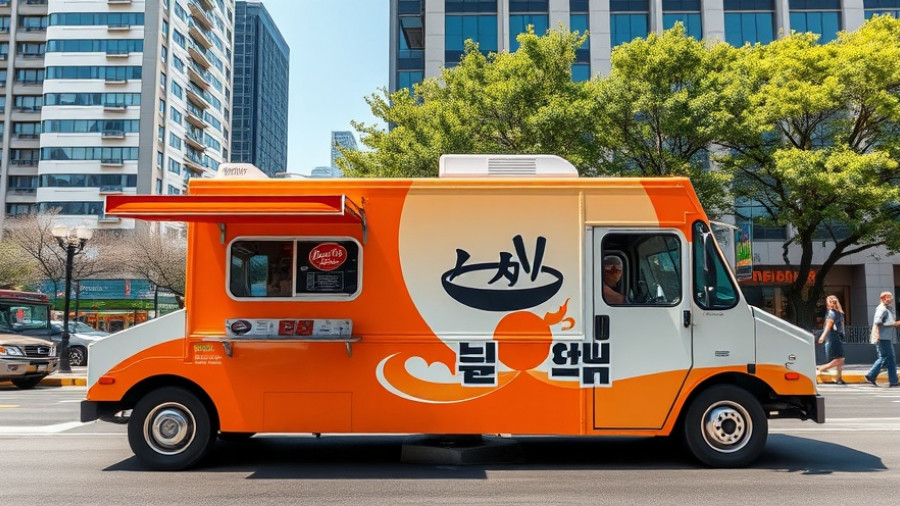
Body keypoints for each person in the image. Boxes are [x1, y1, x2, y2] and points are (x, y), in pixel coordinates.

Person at [865, 291, 900, 387]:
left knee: (890, 359)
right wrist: (894, 324)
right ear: (883, 298)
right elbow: (877, 322)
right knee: (885, 357)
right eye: (888, 297)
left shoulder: (887, 309)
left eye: (891, 297)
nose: (891, 299)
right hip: (882, 337)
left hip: (886, 337)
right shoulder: (882, 309)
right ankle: (871, 374)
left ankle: (893, 381)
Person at [816, 295, 846, 384]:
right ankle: (820, 368)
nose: (833, 302)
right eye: (831, 301)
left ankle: (839, 378)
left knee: (840, 359)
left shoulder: (838, 312)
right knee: (839, 359)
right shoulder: (832, 313)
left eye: (834, 300)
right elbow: (828, 326)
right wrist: (823, 336)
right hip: (833, 337)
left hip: (837, 336)